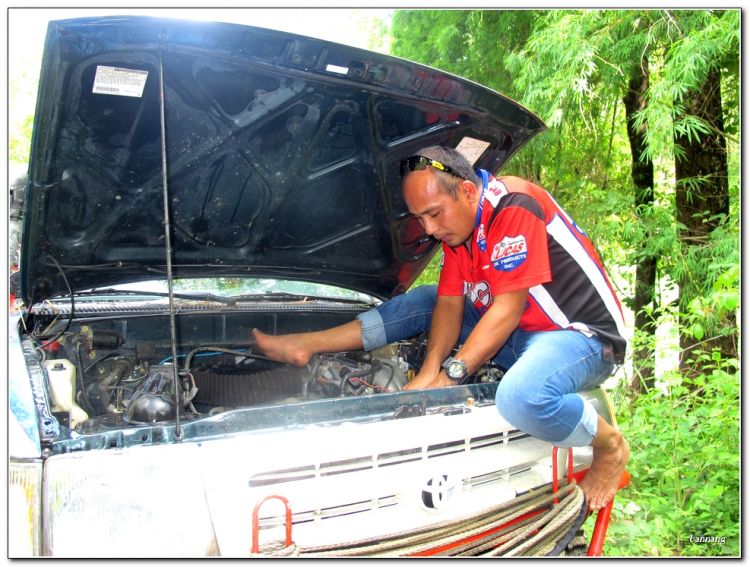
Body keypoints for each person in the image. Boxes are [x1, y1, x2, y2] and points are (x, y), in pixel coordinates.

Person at [253, 145, 629, 511]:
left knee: (520, 398)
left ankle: (609, 444)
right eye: (420, 219)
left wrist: (451, 376)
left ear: (467, 191)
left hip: (582, 338)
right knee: (427, 298)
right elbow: (448, 304)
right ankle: (307, 343)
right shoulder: (460, 230)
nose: (429, 230)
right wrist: (429, 371)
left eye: (433, 213)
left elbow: (508, 310)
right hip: (522, 338)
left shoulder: (513, 205)